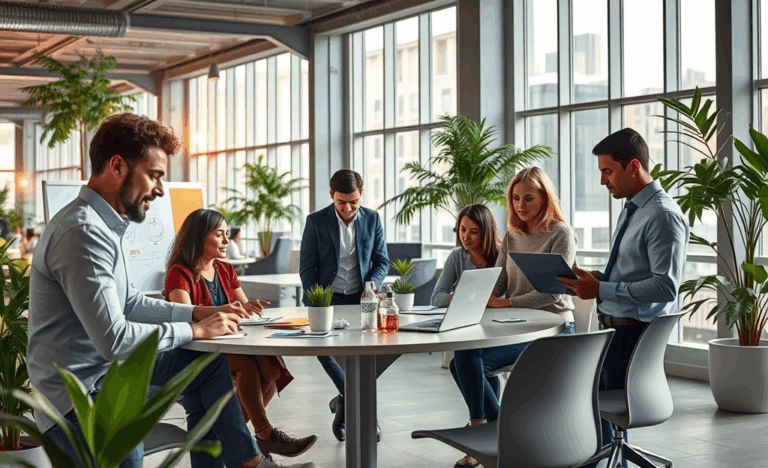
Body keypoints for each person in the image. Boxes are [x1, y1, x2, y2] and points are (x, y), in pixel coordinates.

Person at [27, 112, 316, 468]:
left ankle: (250, 464)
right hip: (81, 400)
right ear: (117, 167)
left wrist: (201, 312)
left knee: (209, 364)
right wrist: (194, 329)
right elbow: (114, 340)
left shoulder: (104, 226)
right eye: (154, 175)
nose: (160, 190)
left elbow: (130, 303)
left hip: (106, 375)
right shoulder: (82, 233)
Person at [557, 128, 689, 468]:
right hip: (614, 328)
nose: (603, 181)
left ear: (633, 166)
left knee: (596, 403)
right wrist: (600, 279)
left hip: (632, 335)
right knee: (595, 408)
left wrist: (603, 290)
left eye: (607, 171)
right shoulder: (632, 207)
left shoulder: (662, 214)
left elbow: (664, 286)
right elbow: (635, 274)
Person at [450, 167, 578, 468]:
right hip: (519, 325)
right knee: (462, 359)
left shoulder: (561, 233)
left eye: (528, 198)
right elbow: (501, 282)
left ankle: (489, 434)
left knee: (469, 361)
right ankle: (492, 429)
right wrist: (478, 298)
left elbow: (553, 295)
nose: (520, 205)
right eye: (515, 198)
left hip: (554, 329)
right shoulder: (513, 234)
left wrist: (503, 305)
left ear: (545, 198)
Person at [165, 208, 318, 459]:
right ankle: (264, 434)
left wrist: (250, 308)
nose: (227, 240)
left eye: (227, 234)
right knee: (248, 366)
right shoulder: (180, 272)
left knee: (272, 368)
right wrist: (223, 311)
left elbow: (243, 308)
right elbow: (184, 314)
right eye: (219, 235)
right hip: (198, 348)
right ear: (200, 237)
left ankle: (233, 438)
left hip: (230, 342)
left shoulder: (225, 270)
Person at [299, 169, 389, 443]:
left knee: (365, 358)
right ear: (331, 196)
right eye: (341, 202)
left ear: (361, 194)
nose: (348, 208)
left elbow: (382, 260)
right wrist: (317, 301)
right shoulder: (316, 222)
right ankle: (365, 414)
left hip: (361, 298)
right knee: (324, 352)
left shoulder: (372, 219)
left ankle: (343, 403)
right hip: (327, 298)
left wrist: (372, 284)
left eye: (353, 202)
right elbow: (307, 267)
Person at [431, 204, 501, 307]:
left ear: (486, 233)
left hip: (497, 316)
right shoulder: (456, 257)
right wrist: (462, 295)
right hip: (464, 316)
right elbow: (436, 298)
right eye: (463, 230)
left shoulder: (502, 255)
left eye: (474, 232)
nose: (466, 237)